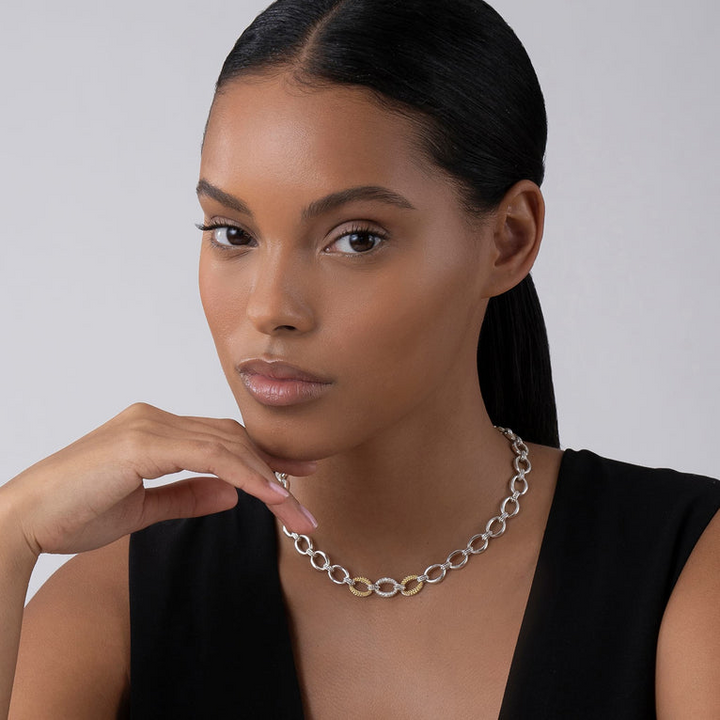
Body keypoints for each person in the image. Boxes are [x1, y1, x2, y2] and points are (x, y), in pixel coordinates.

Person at [2, 0, 719, 717]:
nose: (269, 307)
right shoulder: (113, 605)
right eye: (232, 232)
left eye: (357, 239)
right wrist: (10, 533)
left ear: (507, 240)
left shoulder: (687, 569)